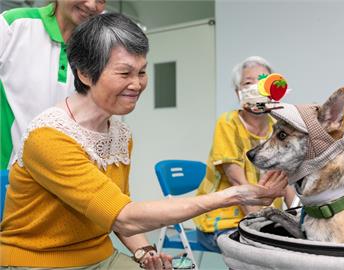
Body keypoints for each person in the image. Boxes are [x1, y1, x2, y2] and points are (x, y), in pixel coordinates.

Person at [0, 14, 288, 270]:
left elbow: (117, 211)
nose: (137, 84)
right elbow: (124, 216)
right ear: (85, 74)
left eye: (141, 72)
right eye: (125, 73)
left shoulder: (118, 134)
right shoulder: (50, 135)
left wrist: (145, 251)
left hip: (100, 255)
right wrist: (234, 195)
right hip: (39, 262)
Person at [193, 56, 296, 252]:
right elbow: (239, 184)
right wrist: (261, 233)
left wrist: (295, 221)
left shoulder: (278, 128)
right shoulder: (228, 123)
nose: (256, 88)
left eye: (262, 82)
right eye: (248, 83)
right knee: (268, 254)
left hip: (268, 219)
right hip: (224, 222)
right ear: (238, 92)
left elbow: (287, 182)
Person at [0, 0, 105, 171]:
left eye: (101, 0)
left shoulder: (94, 51)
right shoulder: (14, 25)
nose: (92, 5)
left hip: (62, 179)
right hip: (8, 174)